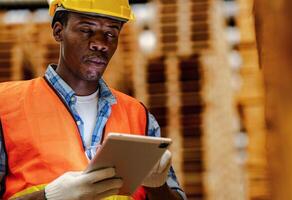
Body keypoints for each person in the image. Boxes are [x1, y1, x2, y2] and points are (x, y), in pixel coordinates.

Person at [0, 0, 187, 200]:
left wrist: (157, 186)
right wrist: (50, 197)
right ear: (58, 31)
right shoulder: (6, 105)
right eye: (86, 30)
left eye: (110, 33)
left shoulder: (138, 116)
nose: (100, 43)